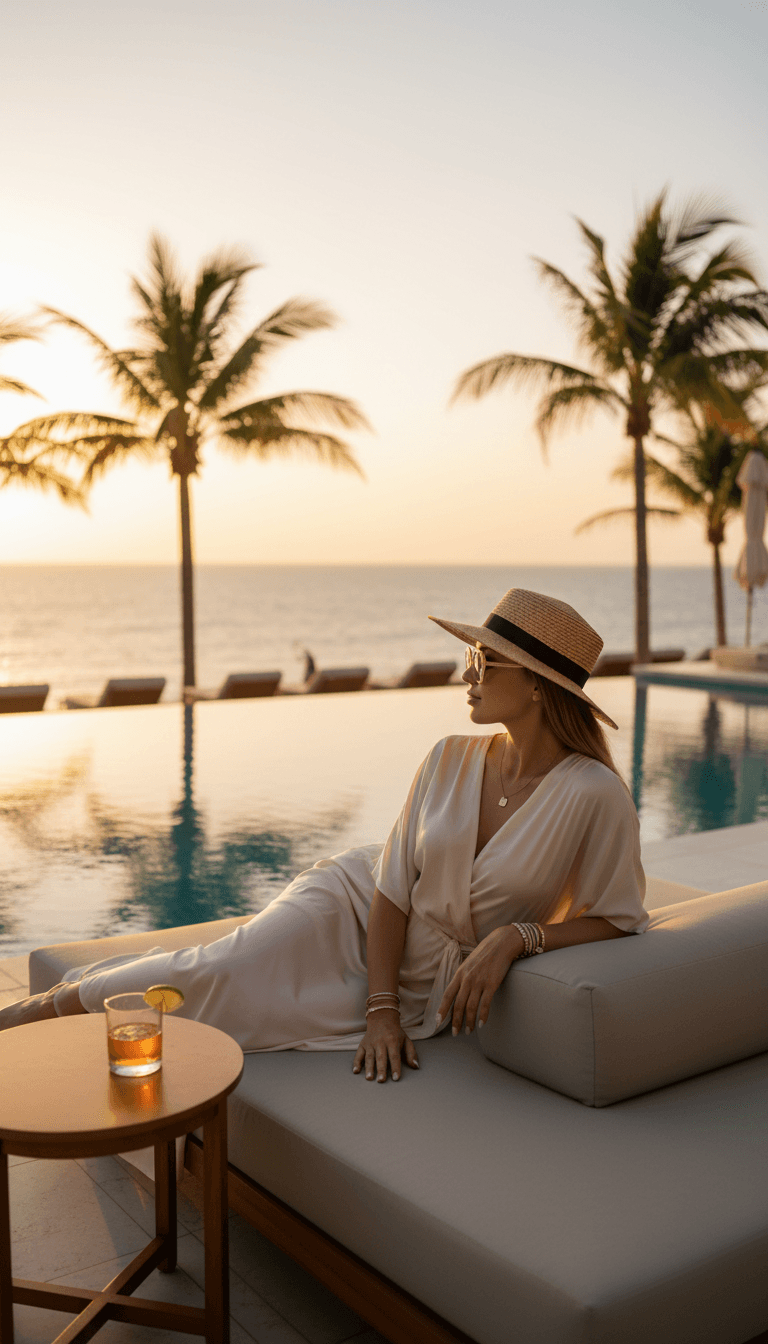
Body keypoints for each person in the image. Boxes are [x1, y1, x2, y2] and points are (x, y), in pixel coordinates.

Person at [0, 589, 648, 1084]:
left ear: (537, 684)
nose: (465, 673)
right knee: (221, 970)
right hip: (354, 903)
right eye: (469, 656)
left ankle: (76, 998)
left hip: (428, 981)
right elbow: (393, 887)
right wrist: (381, 1008)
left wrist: (517, 936)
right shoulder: (450, 756)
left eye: (482, 659)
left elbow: (619, 918)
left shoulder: (594, 796)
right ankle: (37, 1015)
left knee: (239, 1017)